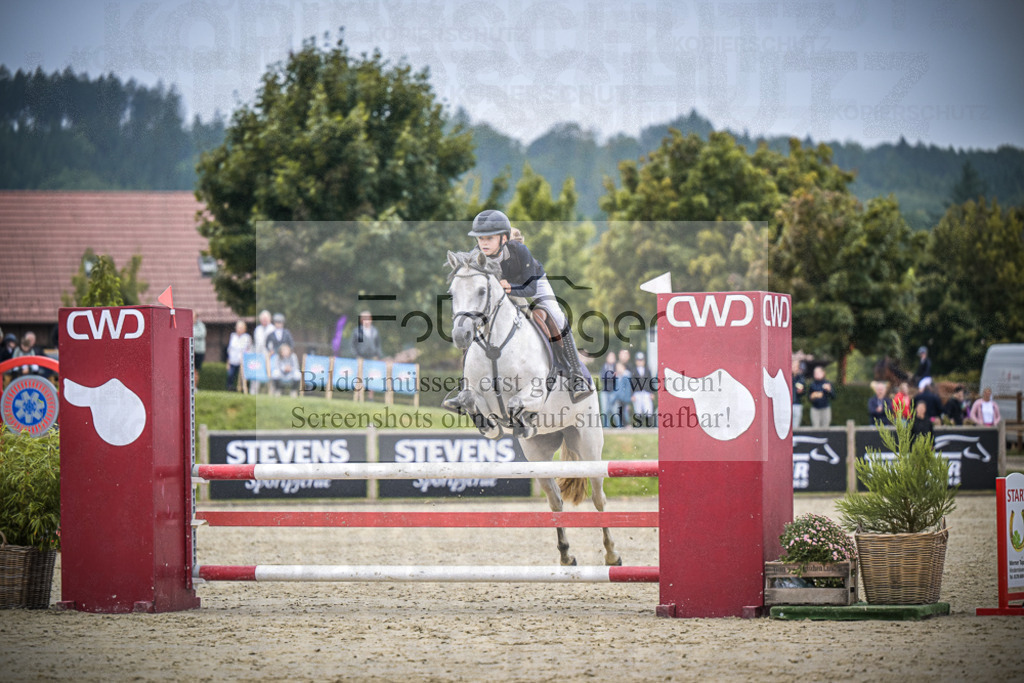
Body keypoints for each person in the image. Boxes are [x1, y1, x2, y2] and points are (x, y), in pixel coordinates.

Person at [467, 209, 591, 398]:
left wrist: (508, 289)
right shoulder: (475, 256)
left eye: (489, 238)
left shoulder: (520, 250)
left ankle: (576, 374)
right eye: (480, 238)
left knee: (556, 315)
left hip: (532, 282)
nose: (483, 243)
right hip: (502, 288)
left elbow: (530, 289)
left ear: (504, 238)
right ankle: (466, 387)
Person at [249, 310, 274, 395]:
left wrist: (270, 353)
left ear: (269, 319)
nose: (264, 320)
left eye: (266, 319)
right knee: (256, 373)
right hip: (258, 355)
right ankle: (253, 392)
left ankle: (271, 393)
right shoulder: (258, 329)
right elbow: (256, 343)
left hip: (269, 355)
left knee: (270, 374)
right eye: (263, 319)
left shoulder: (272, 329)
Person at [225, 320, 252, 391]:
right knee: (230, 375)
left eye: (241, 327)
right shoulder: (233, 336)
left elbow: (249, 349)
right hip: (233, 360)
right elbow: (230, 349)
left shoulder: (247, 337)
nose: (239, 329)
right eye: (238, 327)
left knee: (242, 377)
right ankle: (230, 388)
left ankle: (243, 389)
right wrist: (228, 362)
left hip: (242, 361)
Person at [631, 351, 655, 427]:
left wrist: (652, 393)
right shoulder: (634, 371)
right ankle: (638, 425)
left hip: (646, 392)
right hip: (637, 392)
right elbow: (632, 383)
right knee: (638, 410)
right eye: (638, 360)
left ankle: (649, 425)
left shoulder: (647, 370)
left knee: (648, 409)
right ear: (636, 361)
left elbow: (650, 382)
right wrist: (632, 394)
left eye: (641, 360)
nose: (640, 362)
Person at [612, 361, 633, 428]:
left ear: (623, 367)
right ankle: (622, 426)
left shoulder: (627, 376)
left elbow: (628, 389)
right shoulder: (618, 377)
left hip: (625, 398)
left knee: (624, 412)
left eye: (619, 367)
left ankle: (627, 425)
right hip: (620, 398)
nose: (618, 369)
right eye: (617, 367)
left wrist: (628, 398)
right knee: (621, 412)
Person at [599, 351, 617, 428]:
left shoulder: (616, 367)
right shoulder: (604, 367)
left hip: (614, 392)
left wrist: (609, 376)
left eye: (613, 357)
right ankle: (606, 427)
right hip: (605, 392)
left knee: (615, 410)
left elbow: (618, 378)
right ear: (607, 358)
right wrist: (612, 376)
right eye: (610, 357)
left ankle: (619, 428)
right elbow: (602, 378)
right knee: (605, 410)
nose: (612, 358)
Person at [192, 314, 207, 389]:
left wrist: (192, 335)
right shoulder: (188, 323)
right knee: (190, 369)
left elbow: (202, 334)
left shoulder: (201, 325)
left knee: (195, 370)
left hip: (199, 351)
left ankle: (194, 387)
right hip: (191, 350)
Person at [791, 358, 806, 428]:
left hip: (797, 404)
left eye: (795, 366)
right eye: (792, 366)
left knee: (796, 426)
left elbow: (804, 391)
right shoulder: (786, 376)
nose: (793, 368)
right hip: (787, 405)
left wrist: (801, 391)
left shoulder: (801, 378)